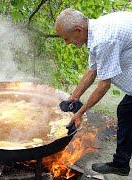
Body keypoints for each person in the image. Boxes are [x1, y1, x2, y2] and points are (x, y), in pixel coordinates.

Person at [55, 9, 132, 176]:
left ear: (78, 30)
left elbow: (104, 85)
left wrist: (80, 113)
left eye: (66, 38)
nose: (66, 43)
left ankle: (121, 164)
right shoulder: (95, 31)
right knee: (126, 110)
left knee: (126, 111)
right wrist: (73, 97)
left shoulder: (103, 40)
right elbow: (92, 71)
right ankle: (121, 164)